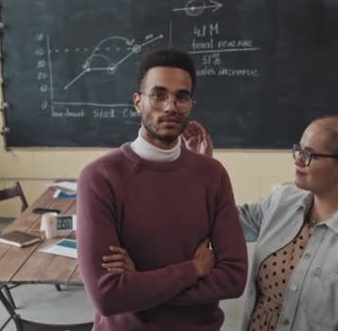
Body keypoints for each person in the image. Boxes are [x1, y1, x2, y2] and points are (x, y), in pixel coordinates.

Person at [104, 115, 338, 330]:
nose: (297, 161)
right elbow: (222, 222)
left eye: (309, 155)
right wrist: (202, 169)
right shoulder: (284, 201)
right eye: (298, 150)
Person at [77, 48, 248, 331]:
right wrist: (193, 269)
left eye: (181, 96)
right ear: (137, 102)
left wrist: (139, 284)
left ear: (190, 104)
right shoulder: (100, 178)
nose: (170, 106)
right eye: (158, 95)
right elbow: (108, 296)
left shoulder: (211, 174)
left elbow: (234, 277)